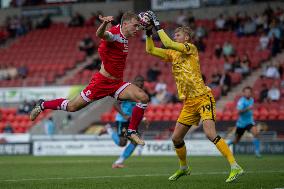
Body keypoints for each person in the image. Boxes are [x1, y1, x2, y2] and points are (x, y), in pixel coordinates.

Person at [144, 11, 243, 182]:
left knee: (210, 134)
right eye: (174, 34)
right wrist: (147, 32)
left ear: (187, 38)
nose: (175, 36)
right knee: (176, 138)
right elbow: (150, 49)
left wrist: (156, 24)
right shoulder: (172, 54)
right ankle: (184, 168)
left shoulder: (190, 49)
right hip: (189, 102)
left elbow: (166, 42)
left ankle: (235, 166)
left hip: (203, 97)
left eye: (178, 34)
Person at [30, 12, 149, 145]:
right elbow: (101, 35)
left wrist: (147, 26)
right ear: (125, 24)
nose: (137, 29)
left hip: (116, 84)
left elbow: (117, 31)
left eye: (138, 26)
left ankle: (131, 131)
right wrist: (104, 23)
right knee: (72, 107)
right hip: (101, 83)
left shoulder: (123, 33)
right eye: (135, 26)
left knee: (143, 97)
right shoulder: (115, 36)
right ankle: (42, 105)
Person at [99, 75, 148, 168]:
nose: (141, 83)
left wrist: (143, 118)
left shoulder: (142, 94)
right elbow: (115, 103)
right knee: (122, 143)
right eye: (138, 81)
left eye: (142, 81)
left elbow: (139, 109)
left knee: (135, 141)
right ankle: (108, 129)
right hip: (123, 120)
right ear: (134, 82)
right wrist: (124, 114)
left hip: (132, 121)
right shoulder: (128, 92)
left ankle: (118, 162)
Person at [227, 87, 261, 157]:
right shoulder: (241, 101)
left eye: (249, 92)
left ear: (251, 93)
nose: (247, 93)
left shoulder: (252, 99)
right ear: (244, 93)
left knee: (256, 133)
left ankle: (257, 152)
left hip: (249, 122)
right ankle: (228, 143)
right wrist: (247, 108)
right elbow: (239, 112)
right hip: (241, 124)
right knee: (236, 141)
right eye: (246, 92)